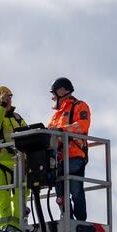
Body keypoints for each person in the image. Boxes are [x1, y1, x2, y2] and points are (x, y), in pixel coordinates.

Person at [0, 85, 28, 231]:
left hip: (19, 162)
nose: (9, 100)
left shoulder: (17, 118)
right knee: (3, 198)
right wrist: (2, 107)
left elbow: (28, 133)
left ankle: (18, 226)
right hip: (0, 163)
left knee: (21, 196)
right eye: (5, 98)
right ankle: (5, 227)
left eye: (9, 97)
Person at [47, 77, 90, 221]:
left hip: (75, 155)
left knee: (76, 190)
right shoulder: (57, 114)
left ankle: (80, 220)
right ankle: (67, 217)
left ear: (62, 91)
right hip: (59, 157)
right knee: (59, 183)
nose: (52, 96)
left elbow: (82, 125)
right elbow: (49, 132)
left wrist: (62, 131)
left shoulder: (80, 106)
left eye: (54, 92)